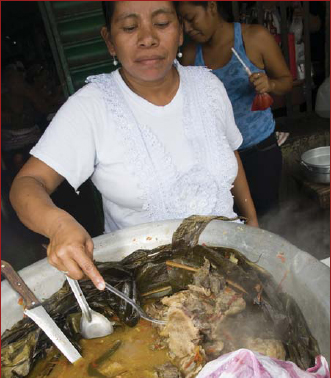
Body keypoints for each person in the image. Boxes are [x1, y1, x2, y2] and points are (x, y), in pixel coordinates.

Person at [10, 1, 258, 291]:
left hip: (230, 269)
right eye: (129, 27)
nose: (148, 38)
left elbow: (230, 154)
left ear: (179, 31)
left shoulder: (208, 86)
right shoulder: (91, 107)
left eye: (162, 23)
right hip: (147, 290)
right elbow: (27, 183)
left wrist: (252, 224)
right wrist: (58, 225)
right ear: (109, 41)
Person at [177, 1, 293, 219]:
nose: (187, 28)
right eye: (181, 22)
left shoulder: (254, 38)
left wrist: (271, 85)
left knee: (267, 220)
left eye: (191, 19)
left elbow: (286, 80)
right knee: (231, 223)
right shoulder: (191, 54)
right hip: (219, 156)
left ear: (211, 6)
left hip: (259, 150)